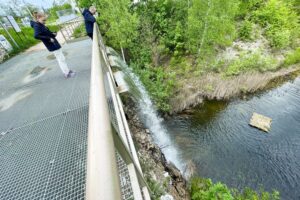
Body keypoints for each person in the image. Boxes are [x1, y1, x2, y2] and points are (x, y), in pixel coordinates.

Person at [31, 12, 75, 78]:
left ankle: (67, 71)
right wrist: (49, 38)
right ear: (38, 18)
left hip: (53, 43)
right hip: (51, 44)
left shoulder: (40, 24)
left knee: (61, 58)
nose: (45, 22)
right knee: (61, 59)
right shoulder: (37, 25)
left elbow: (46, 33)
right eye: (43, 20)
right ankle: (66, 73)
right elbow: (36, 36)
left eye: (45, 20)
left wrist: (53, 33)